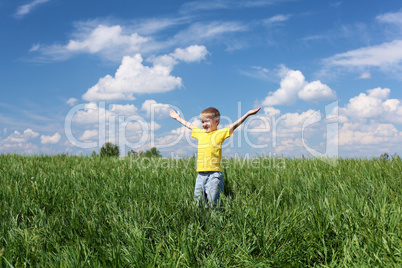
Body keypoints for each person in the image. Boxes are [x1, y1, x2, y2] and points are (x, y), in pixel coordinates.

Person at [169, 106, 261, 207]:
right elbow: (189, 125)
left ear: (216, 121)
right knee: (198, 203)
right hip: (200, 176)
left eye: (207, 121)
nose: (204, 124)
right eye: (202, 122)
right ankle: (202, 221)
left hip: (214, 175)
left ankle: (216, 221)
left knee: (214, 203)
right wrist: (177, 118)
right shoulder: (201, 133)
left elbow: (234, 125)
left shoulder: (220, 133)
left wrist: (247, 114)